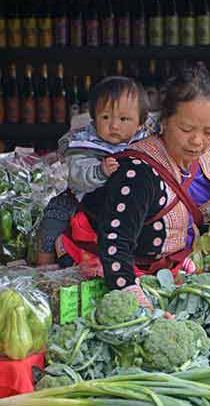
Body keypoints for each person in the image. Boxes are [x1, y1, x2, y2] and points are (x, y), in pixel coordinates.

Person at [56, 63, 210, 288]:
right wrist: (132, 295)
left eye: (209, 131)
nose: (197, 141)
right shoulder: (139, 171)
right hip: (117, 272)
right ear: (164, 121)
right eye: (186, 129)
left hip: (173, 273)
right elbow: (115, 243)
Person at [37, 75, 155, 265]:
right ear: (93, 118)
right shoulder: (83, 142)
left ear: (141, 123)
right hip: (84, 197)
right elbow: (75, 173)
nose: (114, 125)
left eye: (124, 119)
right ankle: (44, 265)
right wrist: (98, 171)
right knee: (54, 213)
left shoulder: (147, 143)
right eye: (105, 117)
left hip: (132, 201)